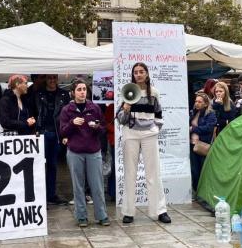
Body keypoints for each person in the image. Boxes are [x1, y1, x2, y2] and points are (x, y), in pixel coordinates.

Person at [116, 62, 171, 224]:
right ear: (133, 75)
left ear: (147, 74)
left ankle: (160, 210)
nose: (138, 74)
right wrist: (126, 108)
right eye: (136, 72)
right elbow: (121, 120)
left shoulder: (154, 92)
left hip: (149, 135)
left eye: (141, 71)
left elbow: (159, 115)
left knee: (154, 174)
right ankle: (128, 212)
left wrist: (155, 128)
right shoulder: (128, 92)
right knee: (130, 173)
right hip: (130, 134)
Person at [59, 79, 109, 227]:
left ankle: (102, 215)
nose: (82, 92)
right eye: (79, 89)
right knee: (78, 185)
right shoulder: (66, 110)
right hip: (75, 152)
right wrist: (72, 124)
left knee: (97, 185)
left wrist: (96, 127)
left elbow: (103, 129)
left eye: (84, 89)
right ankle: (81, 216)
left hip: (93, 151)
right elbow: (62, 132)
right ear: (73, 92)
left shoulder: (94, 108)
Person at [30, 74, 71, 205]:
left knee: (53, 165)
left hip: (57, 133)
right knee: (39, 165)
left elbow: (67, 114)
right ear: (45, 80)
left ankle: (51, 194)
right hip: (42, 132)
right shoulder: (38, 94)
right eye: (49, 78)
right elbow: (33, 112)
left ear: (57, 79)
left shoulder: (64, 94)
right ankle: (39, 194)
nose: (52, 80)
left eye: (54, 77)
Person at [190, 92, 217, 192]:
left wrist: (193, 129)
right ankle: (196, 190)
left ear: (206, 104)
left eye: (200, 102)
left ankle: (204, 191)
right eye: (196, 101)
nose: (197, 103)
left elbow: (208, 128)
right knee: (194, 170)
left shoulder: (210, 114)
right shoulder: (193, 113)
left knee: (202, 170)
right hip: (192, 144)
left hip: (202, 145)